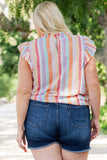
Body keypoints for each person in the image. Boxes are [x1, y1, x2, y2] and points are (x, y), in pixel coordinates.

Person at [16, 1, 101, 160]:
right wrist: (96, 117)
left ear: (38, 23)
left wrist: (20, 126)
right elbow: (94, 86)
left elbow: (23, 92)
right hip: (76, 114)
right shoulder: (84, 45)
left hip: (39, 115)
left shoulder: (29, 49)